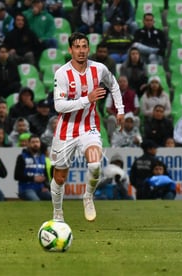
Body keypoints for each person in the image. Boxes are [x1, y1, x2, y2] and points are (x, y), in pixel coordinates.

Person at [49, 32, 124, 222]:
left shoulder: (98, 69)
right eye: (77, 47)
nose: (81, 50)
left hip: (88, 126)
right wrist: (86, 99)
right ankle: (58, 212)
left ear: (88, 49)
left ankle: (88, 196)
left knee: (95, 164)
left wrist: (120, 110)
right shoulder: (62, 73)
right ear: (70, 50)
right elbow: (59, 106)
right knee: (59, 177)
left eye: (84, 46)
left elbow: (113, 85)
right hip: (66, 129)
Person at [14, 134, 51, 201]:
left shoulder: (42, 157)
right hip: (26, 188)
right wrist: (33, 178)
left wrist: (46, 186)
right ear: (28, 144)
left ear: (40, 144)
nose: (35, 144)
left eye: (37, 142)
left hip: (40, 188)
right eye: (33, 142)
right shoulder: (22, 157)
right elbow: (17, 176)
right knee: (35, 201)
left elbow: (45, 175)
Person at [105, 75, 139, 139]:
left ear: (127, 83)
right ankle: (112, 140)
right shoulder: (112, 94)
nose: (122, 83)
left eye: (124, 81)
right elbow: (107, 108)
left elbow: (137, 108)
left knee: (136, 119)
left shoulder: (133, 94)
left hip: (129, 116)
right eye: (120, 82)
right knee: (111, 119)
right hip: (116, 116)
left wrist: (130, 117)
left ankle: (135, 139)